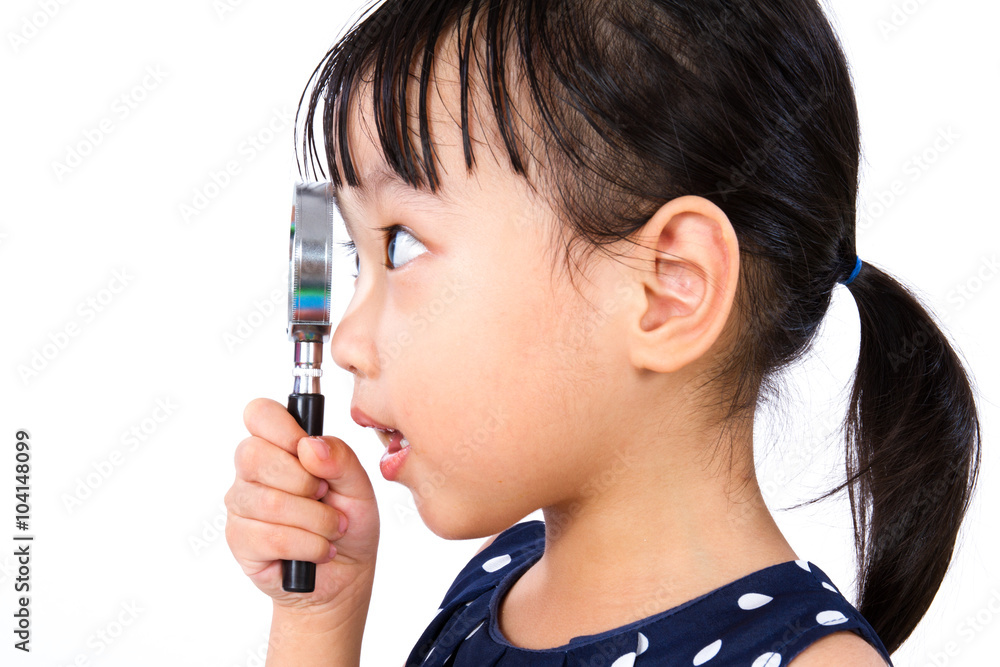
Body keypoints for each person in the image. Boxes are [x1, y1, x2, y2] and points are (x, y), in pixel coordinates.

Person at [224, 1, 982, 664]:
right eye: (357, 254)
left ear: (667, 289)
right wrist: (318, 612)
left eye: (404, 244)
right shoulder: (495, 585)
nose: (348, 339)